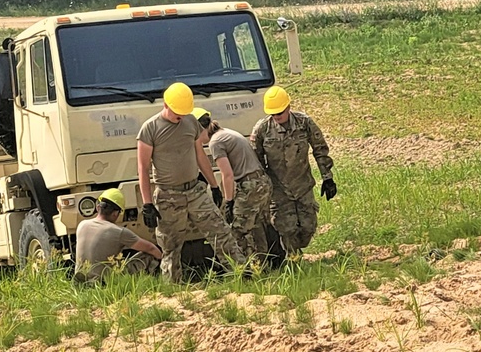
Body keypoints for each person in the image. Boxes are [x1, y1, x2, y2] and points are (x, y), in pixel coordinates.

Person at [137, 82, 248, 283]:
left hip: (195, 192)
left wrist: (214, 186)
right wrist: (147, 204)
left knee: (220, 232)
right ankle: (173, 288)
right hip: (168, 196)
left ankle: (242, 275)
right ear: (165, 104)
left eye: (183, 112)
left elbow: (200, 155)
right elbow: (143, 169)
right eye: (176, 112)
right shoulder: (149, 129)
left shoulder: (190, 123)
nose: (179, 117)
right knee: (170, 245)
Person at [250, 86, 336, 257]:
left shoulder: (304, 123)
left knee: (308, 228)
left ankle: (297, 252)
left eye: (280, 113)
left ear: (288, 107)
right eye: (273, 114)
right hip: (279, 190)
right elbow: (256, 161)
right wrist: (262, 189)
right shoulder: (262, 130)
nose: (277, 117)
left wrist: (327, 178)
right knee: (287, 230)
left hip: (302, 185)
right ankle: (295, 263)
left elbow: (320, 149)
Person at [193, 107, 272, 260]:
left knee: (237, 231)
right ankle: (262, 264)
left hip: (250, 186)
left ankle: (247, 268)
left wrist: (228, 201)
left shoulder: (215, 143)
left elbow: (227, 175)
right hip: (262, 182)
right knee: (256, 227)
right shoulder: (227, 133)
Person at [74, 188, 162, 283]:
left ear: (98, 207)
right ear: (115, 213)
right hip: (104, 283)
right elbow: (151, 248)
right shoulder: (118, 232)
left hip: (80, 282)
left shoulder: (82, 225)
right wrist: (164, 260)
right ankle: (160, 281)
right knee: (149, 255)